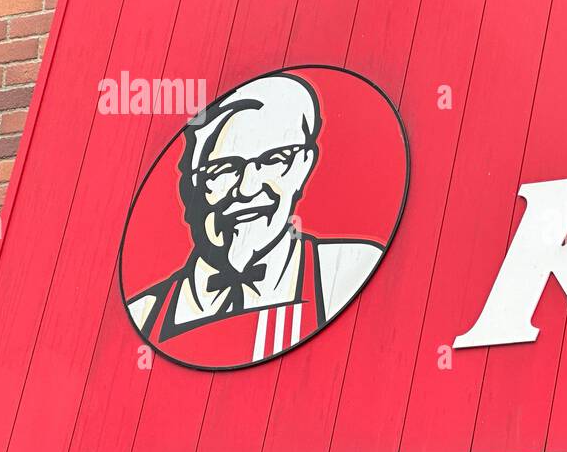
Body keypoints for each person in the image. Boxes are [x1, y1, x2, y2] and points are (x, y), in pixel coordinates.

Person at [127, 73, 382, 366]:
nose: (248, 188)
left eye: (274, 160)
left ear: (303, 167)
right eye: (223, 169)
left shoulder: (347, 268)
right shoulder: (145, 314)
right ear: (194, 187)